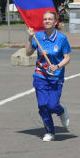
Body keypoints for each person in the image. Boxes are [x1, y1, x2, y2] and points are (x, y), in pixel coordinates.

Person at [25, 11, 71, 142]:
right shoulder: (38, 36)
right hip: (40, 76)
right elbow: (28, 53)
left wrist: (57, 66)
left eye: (50, 19)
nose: (47, 21)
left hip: (56, 77)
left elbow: (67, 58)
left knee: (52, 105)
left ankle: (61, 110)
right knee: (42, 105)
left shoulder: (62, 39)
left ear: (55, 22)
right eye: (45, 19)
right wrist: (30, 38)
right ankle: (50, 131)